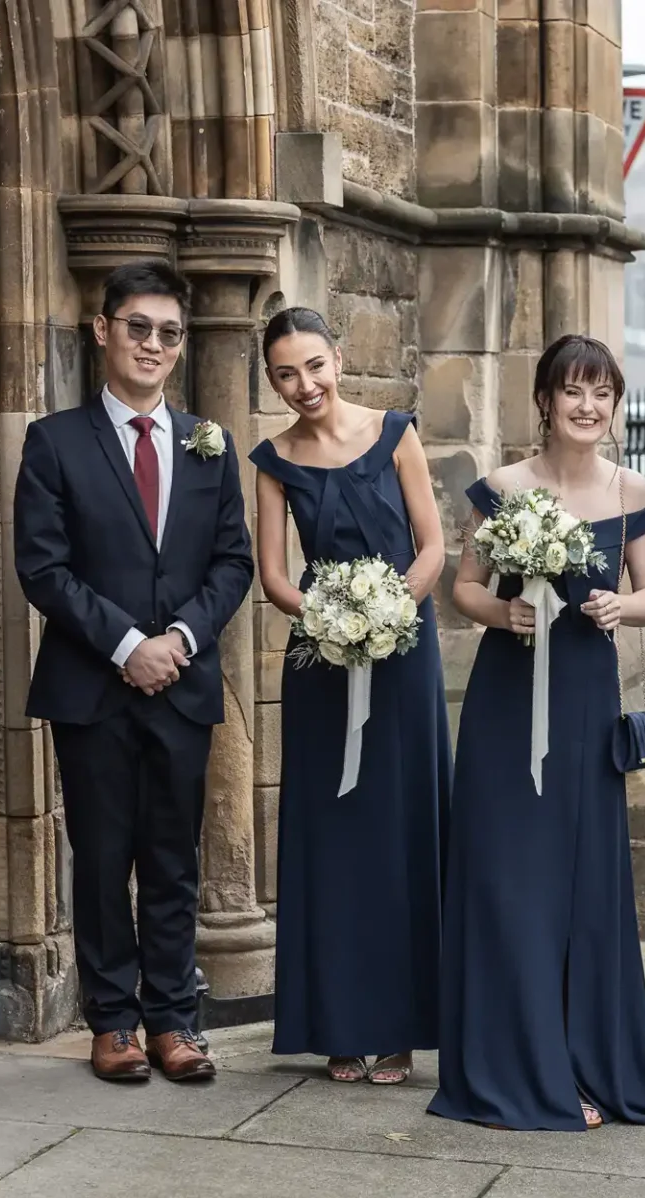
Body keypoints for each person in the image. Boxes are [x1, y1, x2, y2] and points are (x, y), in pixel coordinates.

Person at [13, 260, 254, 1084]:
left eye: (169, 333)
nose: (154, 344)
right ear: (103, 331)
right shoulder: (54, 442)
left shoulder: (207, 444)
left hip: (181, 685)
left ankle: (174, 1022)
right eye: (139, 327)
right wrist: (127, 646)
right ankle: (111, 1022)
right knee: (102, 854)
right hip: (92, 686)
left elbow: (233, 562)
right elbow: (43, 569)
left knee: (173, 859)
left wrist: (179, 639)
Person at [429, 335, 645, 1132]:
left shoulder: (632, 489)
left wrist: (619, 608)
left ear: (614, 404)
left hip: (581, 701)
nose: (587, 405)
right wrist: (503, 611)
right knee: (508, 880)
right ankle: (512, 1065)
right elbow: (462, 586)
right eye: (572, 390)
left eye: (601, 392)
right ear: (544, 399)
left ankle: (580, 1063)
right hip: (507, 701)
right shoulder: (500, 490)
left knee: (577, 886)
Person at [252, 307, 450, 1086]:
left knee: (400, 830)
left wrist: (390, 610)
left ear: (339, 357)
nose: (304, 385)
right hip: (322, 658)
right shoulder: (272, 460)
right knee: (331, 836)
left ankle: (401, 1028)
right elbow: (274, 576)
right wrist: (337, 618)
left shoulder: (396, 432)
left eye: (314, 366)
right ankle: (337, 1022)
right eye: (284, 374)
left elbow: (432, 544)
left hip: (404, 649)